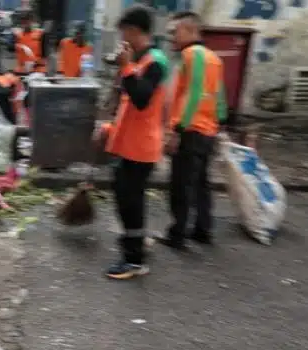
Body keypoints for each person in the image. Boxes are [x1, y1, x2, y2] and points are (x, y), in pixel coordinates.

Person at [94, 6, 169, 280]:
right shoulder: (140, 60)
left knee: (130, 202)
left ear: (135, 31)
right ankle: (136, 240)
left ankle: (134, 261)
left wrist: (126, 66)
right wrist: (109, 128)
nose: (122, 38)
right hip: (128, 144)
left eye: (124, 32)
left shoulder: (155, 62)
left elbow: (141, 100)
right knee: (125, 196)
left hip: (141, 148)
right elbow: (127, 105)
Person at [158, 11, 227, 250]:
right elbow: (219, 96)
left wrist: (177, 129)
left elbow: (194, 94)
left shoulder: (192, 55)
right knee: (201, 183)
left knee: (181, 185)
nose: (171, 37)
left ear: (190, 30)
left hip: (190, 130)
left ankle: (177, 235)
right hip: (207, 131)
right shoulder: (214, 58)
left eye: (174, 32)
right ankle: (203, 230)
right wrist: (221, 123)